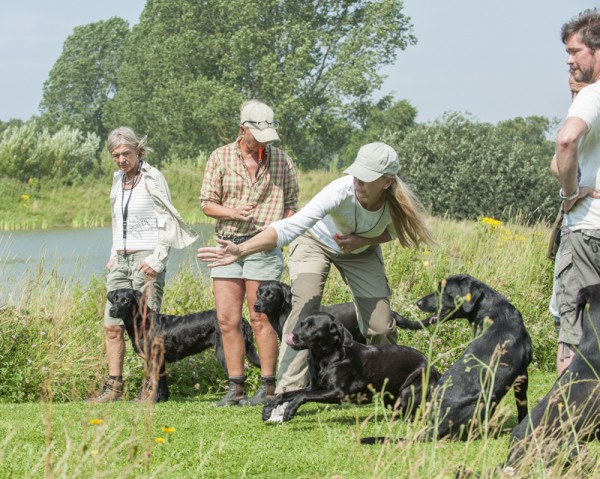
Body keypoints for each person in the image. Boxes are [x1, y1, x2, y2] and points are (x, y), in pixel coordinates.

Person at [197, 142, 434, 398]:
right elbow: (290, 226)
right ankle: (286, 393)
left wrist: (363, 241)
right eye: (356, 174)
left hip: (360, 252)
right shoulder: (340, 191)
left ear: (387, 182)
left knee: (381, 326)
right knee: (304, 307)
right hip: (314, 242)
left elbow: (398, 232)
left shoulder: (397, 204)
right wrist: (241, 250)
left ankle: (385, 389)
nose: (358, 183)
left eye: (367, 179)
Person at [87, 127, 198, 403]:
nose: (122, 159)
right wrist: (114, 253)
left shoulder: (152, 176)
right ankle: (114, 388)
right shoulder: (117, 180)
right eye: (116, 155)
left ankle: (152, 388)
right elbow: (118, 221)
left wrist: (157, 258)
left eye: (126, 153)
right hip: (121, 260)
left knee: (149, 328)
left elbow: (167, 219)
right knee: (112, 325)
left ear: (138, 150)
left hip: (146, 257)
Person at [200, 100, 299, 406]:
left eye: (269, 135)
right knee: (228, 319)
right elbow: (206, 204)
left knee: (260, 320)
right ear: (242, 130)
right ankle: (235, 387)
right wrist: (233, 212)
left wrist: (280, 230)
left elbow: (292, 204)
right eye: (259, 135)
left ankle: (268, 387)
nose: (265, 142)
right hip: (226, 244)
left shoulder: (281, 161)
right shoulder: (220, 157)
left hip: (263, 246)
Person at [552, 9, 600, 377]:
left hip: (587, 230)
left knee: (573, 328)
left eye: (575, 51)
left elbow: (565, 141)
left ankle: (563, 426)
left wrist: (570, 194)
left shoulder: (593, 95)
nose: (569, 59)